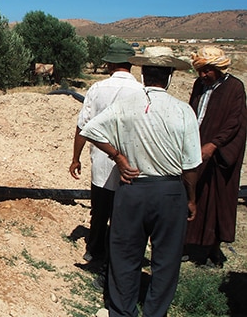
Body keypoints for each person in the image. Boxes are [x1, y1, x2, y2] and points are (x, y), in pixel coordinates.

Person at [80, 54, 202, 317]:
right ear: (169, 77)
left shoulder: (125, 105)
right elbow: (191, 165)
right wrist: (191, 199)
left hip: (132, 189)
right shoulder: (183, 110)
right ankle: (155, 312)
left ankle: (122, 311)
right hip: (169, 192)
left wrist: (119, 157)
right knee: (166, 260)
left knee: (125, 255)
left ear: (144, 74)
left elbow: (89, 129)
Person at [69, 41, 142, 265]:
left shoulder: (97, 89)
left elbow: (83, 126)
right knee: (126, 214)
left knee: (99, 210)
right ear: (131, 64)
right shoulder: (142, 91)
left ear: (110, 64)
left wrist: (75, 158)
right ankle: (121, 256)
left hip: (101, 160)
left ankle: (95, 250)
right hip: (132, 164)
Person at [184, 46, 247, 267]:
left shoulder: (234, 88)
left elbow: (235, 122)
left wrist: (214, 144)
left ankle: (212, 249)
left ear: (218, 68)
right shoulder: (199, 85)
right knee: (192, 192)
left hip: (220, 154)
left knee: (216, 199)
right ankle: (188, 243)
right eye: (200, 70)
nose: (203, 75)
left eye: (207, 70)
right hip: (196, 148)